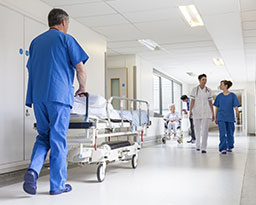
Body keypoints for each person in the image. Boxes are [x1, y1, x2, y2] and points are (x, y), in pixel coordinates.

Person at [23, 8, 89, 195]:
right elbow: (80, 69)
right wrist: (82, 88)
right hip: (59, 97)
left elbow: (32, 68)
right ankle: (57, 185)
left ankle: (33, 171)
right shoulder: (67, 39)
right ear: (64, 22)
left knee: (43, 137)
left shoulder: (35, 42)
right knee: (58, 139)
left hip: (38, 97)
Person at [213, 80, 240, 154]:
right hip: (221, 117)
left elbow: (235, 105)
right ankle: (223, 148)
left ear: (226, 86)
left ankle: (230, 146)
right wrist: (215, 117)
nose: (220, 86)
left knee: (230, 133)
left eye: (221, 84)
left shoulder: (232, 95)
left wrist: (237, 112)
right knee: (222, 133)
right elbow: (216, 107)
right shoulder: (219, 96)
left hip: (230, 117)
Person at [190, 74, 214, 153]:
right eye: (203, 79)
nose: (205, 81)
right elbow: (192, 101)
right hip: (196, 112)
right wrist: (190, 111)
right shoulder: (194, 90)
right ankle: (197, 145)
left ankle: (203, 147)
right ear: (199, 80)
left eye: (205, 80)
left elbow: (210, 102)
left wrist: (212, 113)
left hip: (206, 112)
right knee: (197, 130)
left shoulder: (209, 90)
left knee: (205, 130)